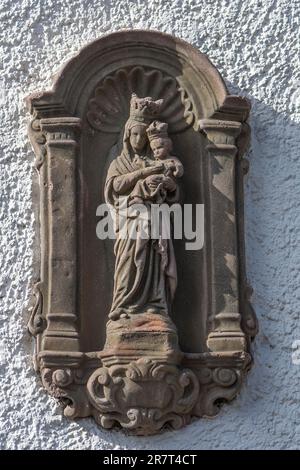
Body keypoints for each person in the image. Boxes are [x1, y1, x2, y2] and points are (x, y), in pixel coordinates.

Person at [104, 94, 178, 321]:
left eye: (142, 135)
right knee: (128, 260)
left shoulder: (156, 162)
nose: (138, 139)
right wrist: (143, 175)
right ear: (127, 134)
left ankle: (155, 304)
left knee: (154, 260)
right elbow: (115, 185)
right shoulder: (119, 163)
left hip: (155, 219)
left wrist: (170, 185)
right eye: (134, 134)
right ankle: (123, 303)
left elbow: (173, 194)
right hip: (129, 219)